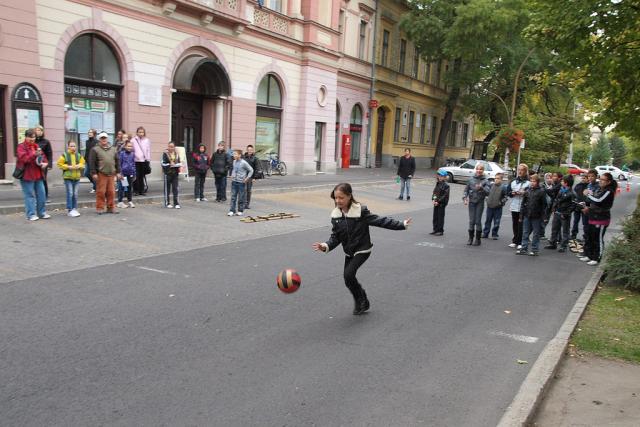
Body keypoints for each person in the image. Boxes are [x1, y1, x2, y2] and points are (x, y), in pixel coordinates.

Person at [312, 183, 411, 315]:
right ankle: (362, 300)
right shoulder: (336, 216)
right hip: (349, 251)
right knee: (348, 280)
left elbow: (380, 221)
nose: (338, 201)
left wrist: (401, 224)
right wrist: (325, 245)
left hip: (362, 249)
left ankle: (362, 301)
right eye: (335, 198)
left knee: (348, 274)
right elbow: (336, 237)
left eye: (341, 198)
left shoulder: (360, 212)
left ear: (349, 196)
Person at [579, 172, 617, 266]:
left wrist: (588, 195)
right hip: (593, 216)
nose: (601, 181)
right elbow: (594, 201)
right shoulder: (600, 189)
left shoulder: (609, 191)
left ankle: (597, 258)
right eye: (600, 179)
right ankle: (589, 255)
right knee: (590, 237)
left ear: (608, 182)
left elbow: (598, 200)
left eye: (603, 180)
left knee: (598, 239)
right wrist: (587, 206)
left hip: (602, 218)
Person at [16, 129, 50, 221]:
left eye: (34, 137)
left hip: (38, 174)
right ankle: (31, 214)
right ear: (26, 137)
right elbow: (24, 159)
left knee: (42, 194)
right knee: (30, 195)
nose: (32, 139)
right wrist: (34, 154)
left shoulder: (36, 146)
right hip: (27, 175)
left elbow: (44, 157)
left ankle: (42, 213)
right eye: (30, 137)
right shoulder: (21, 146)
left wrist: (45, 163)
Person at [89, 132, 121, 214]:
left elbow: (117, 161)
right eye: (102, 138)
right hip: (101, 174)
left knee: (111, 192)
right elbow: (91, 162)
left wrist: (118, 172)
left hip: (111, 174)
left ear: (107, 139)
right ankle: (100, 208)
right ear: (99, 139)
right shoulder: (95, 149)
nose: (104, 139)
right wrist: (94, 173)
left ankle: (111, 207)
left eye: (105, 138)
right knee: (101, 192)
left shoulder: (113, 149)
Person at [516, 174, 546, 256]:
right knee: (525, 232)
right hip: (527, 215)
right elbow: (523, 203)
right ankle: (524, 248)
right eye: (531, 181)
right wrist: (521, 215)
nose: (532, 183)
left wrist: (543, 217)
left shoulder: (541, 191)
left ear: (537, 182)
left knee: (536, 234)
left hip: (537, 216)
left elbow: (544, 205)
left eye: (534, 181)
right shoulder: (527, 190)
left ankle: (534, 249)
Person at [463, 163, 491, 246]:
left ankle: (478, 239)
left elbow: (488, 192)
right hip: (471, 202)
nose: (479, 171)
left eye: (481, 169)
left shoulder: (486, 181)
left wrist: (482, 188)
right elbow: (466, 190)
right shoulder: (471, 179)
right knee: (471, 221)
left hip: (480, 202)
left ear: (483, 171)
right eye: (478, 169)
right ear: (476, 170)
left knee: (478, 221)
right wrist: (465, 198)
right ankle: (470, 238)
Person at [545, 175, 576, 252]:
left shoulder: (572, 193)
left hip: (564, 214)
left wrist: (566, 213)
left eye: (562, 181)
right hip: (557, 212)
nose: (561, 182)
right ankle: (553, 243)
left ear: (566, 183)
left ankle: (563, 246)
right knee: (554, 228)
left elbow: (573, 205)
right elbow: (556, 200)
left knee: (565, 230)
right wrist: (554, 208)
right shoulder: (561, 190)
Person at [56, 140, 85, 217]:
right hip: (68, 177)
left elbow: (83, 163)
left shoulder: (78, 155)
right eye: (71, 146)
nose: (73, 147)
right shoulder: (65, 155)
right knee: (70, 193)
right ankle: (70, 210)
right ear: (68, 146)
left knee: (75, 194)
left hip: (77, 177)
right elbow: (59, 164)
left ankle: (74, 208)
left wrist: (79, 165)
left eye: (74, 146)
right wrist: (68, 167)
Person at [578, 169, 600, 259]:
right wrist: (583, 203)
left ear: (596, 176)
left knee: (592, 234)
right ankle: (586, 252)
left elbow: (596, 200)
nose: (590, 178)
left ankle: (592, 254)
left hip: (593, 211)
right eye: (589, 176)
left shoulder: (598, 186)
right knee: (586, 230)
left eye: (592, 176)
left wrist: (588, 198)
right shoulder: (589, 185)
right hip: (586, 209)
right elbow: (587, 197)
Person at [508, 164, 530, 248]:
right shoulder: (513, 181)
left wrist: (524, 193)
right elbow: (508, 193)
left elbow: (530, 194)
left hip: (523, 206)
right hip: (514, 205)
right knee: (515, 224)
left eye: (522, 170)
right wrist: (512, 193)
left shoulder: (528, 183)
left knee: (521, 224)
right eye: (519, 170)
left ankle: (520, 241)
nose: (520, 172)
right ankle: (515, 240)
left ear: (525, 171)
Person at [483, 172, 509, 239]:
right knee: (488, 221)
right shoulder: (491, 185)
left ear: (501, 179)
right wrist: (487, 199)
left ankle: (494, 234)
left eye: (498, 178)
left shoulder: (503, 187)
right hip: (490, 207)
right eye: (495, 178)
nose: (496, 180)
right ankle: (485, 233)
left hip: (498, 208)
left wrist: (501, 203)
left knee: (496, 222)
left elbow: (506, 197)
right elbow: (487, 193)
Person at [227, 149, 253, 216]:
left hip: (241, 183)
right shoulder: (234, 161)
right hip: (234, 182)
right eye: (233, 154)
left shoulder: (244, 163)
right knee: (233, 197)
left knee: (241, 197)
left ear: (239, 155)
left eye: (235, 154)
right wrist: (232, 176)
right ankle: (232, 210)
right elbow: (234, 170)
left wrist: (247, 178)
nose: (234, 155)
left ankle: (240, 210)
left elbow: (251, 170)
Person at [161, 141, 182, 208]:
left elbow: (179, 162)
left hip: (175, 173)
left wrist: (177, 165)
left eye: (172, 147)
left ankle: (176, 203)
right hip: (167, 173)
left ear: (174, 147)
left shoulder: (177, 154)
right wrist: (169, 164)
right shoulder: (165, 154)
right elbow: (163, 163)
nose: (171, 148)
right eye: (169, 146)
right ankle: (167, 203)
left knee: (175, 188)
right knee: (167, 189)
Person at [34, 125, 52, 202]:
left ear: (42, 132)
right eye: (37, 130)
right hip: (34, 164)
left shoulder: (46, 142)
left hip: (43, 164)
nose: (38, 132)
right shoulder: (33, 141)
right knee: (35, 180)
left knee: (43, 179)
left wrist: (49, 164)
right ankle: (37, 195)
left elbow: (49, 153)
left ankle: (46, 195)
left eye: (40, 130)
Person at [132, 126, 151, 195]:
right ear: (137, 133)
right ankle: (136, 190)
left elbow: (148, 150)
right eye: (139, 132)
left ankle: (141, 190)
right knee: (136, 176)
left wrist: (148, 159)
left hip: (143, 160)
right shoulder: (133, 140)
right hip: (135, 160)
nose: (141, 133)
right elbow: (132, 150)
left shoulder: (147, 140)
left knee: (142, 176)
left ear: (144, 133)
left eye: (142, 132)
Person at [570, 174, 589, 243]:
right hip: (577, 206)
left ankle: (585, 236)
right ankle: (573, 234)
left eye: (585, 178)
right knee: (575, 221)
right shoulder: (578, 185)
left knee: (585, 222)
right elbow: (574, 195)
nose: (583, 179)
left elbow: (589, 197)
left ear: (587, 179)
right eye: (582, 178)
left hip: (585, 206)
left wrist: (587, 205)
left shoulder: (589, 186)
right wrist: (575, 203)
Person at [117, 140, 136, 208]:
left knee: (129, 188)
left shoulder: (133, 154)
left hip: (130, 174)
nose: (129, 147)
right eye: (128, 146)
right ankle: (120, 202)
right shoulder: (122, 153)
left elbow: (133, 164)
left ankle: (129, 200)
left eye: (131, 146)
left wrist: (134, 173)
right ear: (125, 146)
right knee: (122, 188)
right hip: (123, 174)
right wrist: (120, 173)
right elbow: (119, 164)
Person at [430, 170, 450, 236]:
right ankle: (435, 229)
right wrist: (434, 199)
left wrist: (438, 201)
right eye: (439, 176)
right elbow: (435, 192)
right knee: (435, 217)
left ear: (444, 177)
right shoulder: (438, 183)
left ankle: (440, 230)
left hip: (441, 203)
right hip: (436, 203)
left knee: (440, 217)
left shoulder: (446, 185)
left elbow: (445, 195)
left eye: (442, 176)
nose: (440, 177)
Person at [243, 144, 263, 209]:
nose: (249, 151)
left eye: (251, 150)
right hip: (243, 176)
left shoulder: (255, 158)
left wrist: (255, 177)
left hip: (250, 177)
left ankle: (247, 204)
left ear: (252, 150)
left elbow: (257, 168)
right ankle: (242, 203)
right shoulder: (243, 157)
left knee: (248, 190)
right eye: (248, 150)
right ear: (247, 150)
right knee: (243, 190)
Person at [84, 129, 98, 193]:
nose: (89, 133)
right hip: (87, 160)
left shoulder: (96, 142)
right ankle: (96, 185)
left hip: (93, 160)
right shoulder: (87, 141)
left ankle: (95, 187)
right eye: (89, 132)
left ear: (94, 134)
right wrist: (84, 159)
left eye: (91, 132)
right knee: (86, 173)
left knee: (92, 174)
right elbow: (87, 151)